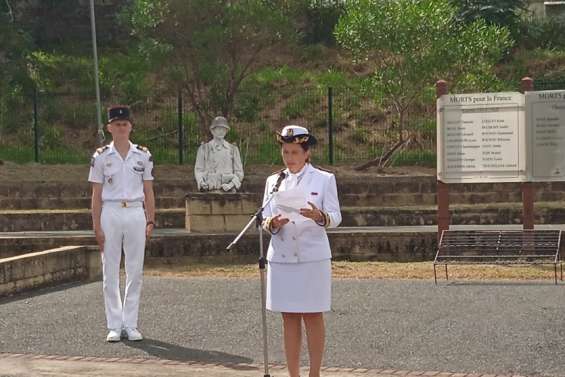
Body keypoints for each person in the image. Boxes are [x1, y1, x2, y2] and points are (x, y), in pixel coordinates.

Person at [261, 125, 341, 377]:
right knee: (289, 317)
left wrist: (319, 215)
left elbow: (336, 216)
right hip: (283, 256)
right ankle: (293, 373)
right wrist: (272, 223)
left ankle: (314, 373)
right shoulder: (274, 181)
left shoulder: (324, 179)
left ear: (307, 153)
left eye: (295, 152)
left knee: (313, 315)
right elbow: (264, 216)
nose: (290, 158)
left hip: (312, 256)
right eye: (286, 152)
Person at [88, 105, 155, 342]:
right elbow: (96, 194)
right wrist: (96, 226)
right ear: (109, 128)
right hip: (111, 211)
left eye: (124, 124)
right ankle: (114, 324)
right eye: (116, 125)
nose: (121, 128)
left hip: (136, 211)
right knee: (110, 270)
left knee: (135, 270)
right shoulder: (101, 156)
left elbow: (148, 190)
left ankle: (131, 323)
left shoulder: (143, 155)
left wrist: (151, 219)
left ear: (130, 127)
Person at [194, 116, 244, 192]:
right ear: (212, 131)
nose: (221, 131)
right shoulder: (204, 148)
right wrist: (201, 182)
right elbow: (198, 170)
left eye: (224, 129)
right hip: (209, 187)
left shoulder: (233, 149)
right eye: (219, 129)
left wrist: (230, 185)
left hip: (228, 189)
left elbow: (239, 172)